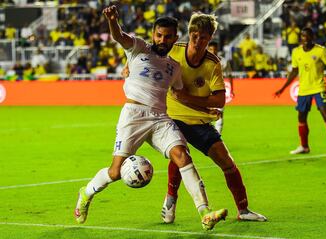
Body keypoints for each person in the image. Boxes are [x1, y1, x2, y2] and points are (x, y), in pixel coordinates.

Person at [74, 6, 227, 231]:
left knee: (182, 156)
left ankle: (204, 212)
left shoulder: (174, 68)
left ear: (175, 38)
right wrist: (113, 21)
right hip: (133, 116)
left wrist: (206, 112)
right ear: (153, 34)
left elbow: (180, 96)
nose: (162, 39)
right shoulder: (138, 48)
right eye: (158, 35)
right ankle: (86, 193)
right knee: (115, 172)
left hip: (159, 118)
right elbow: (119, 36)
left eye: (167, 36)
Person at [161, 12, 267, 223]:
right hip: (173, 118)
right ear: (190, 34)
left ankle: (243, 210)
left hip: (199, 122)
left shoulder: (212, 63)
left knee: (227, 162)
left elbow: (219, 100)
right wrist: (131, 66)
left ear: (210, 39)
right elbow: (146, 54)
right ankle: (170, 201)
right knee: (181, 156)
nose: (198, 41)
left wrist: (188, 99)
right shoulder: (173, 50)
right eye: (195, 36)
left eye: (204, 38)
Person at [274, 27, 326, 156]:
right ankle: (304, 146)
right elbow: (294, 71)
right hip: (303, 90)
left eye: (306, 36)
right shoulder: (296, 52)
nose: (304, 39)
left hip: (318, 87)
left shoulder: (321, 51)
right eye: (302, 36)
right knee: (301, 118)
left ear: (312, 37)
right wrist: (282, 88)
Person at [207, 41, 234, 134]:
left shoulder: (224, 61)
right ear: (208, 49)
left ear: (217, 50)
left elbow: (230, 75)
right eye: (211, 49)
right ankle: (207, 136)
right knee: (206, 114)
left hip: (219, 90)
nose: (213, 51)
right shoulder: (203, 61)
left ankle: (217, 136)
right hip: (206, 91)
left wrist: (232, 90)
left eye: (215, 49)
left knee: (220, 114)